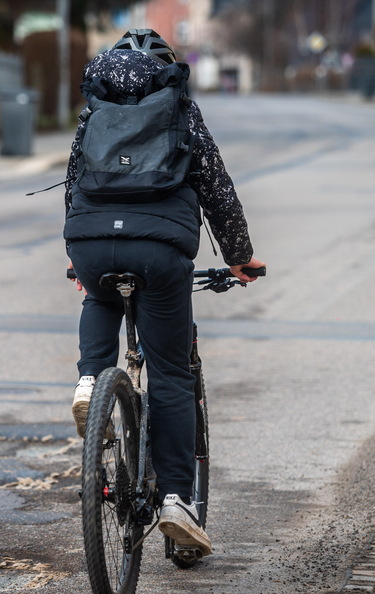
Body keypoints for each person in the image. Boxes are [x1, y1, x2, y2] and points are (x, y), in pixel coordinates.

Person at [64, 28, 265, 557]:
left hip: (90, 241)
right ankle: (177, 499)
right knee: (172, 375)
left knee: (99, 295)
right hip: (160, 251)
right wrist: (239, 256)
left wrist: (77, 251)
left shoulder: (94, 110)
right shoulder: (180, 112)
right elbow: (216, 187)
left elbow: (74, 180)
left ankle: (89, 381)